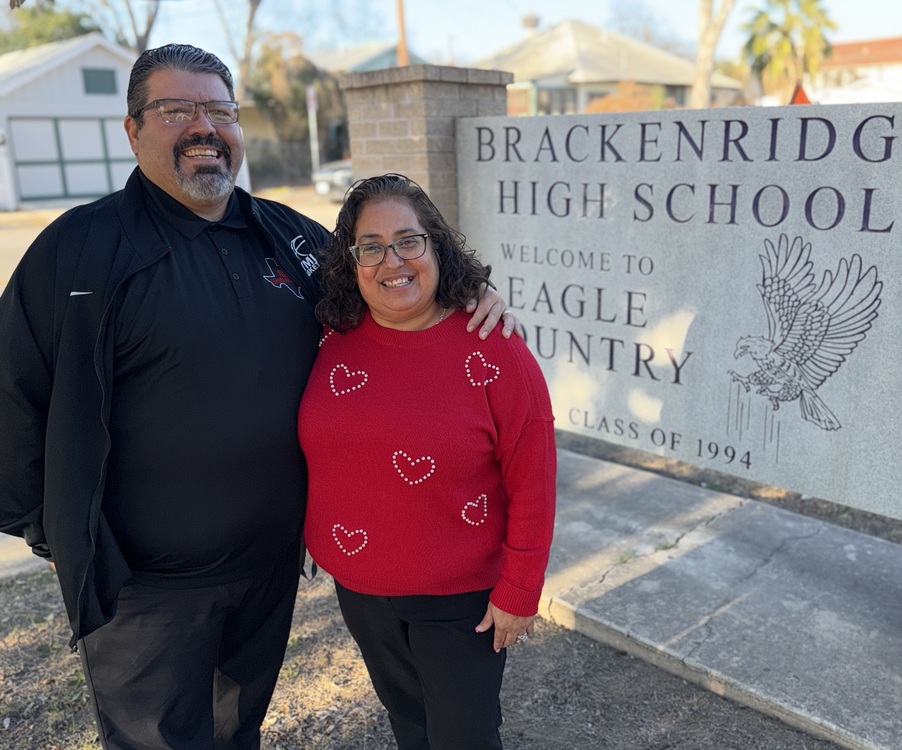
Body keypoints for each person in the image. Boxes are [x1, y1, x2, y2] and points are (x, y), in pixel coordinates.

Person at [0, 45, 517, 750]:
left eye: (218, 110)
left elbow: (393, 284)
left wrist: (466, 292)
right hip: (146, 586)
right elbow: (11, 390)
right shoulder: (79, 251)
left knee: (235, 731)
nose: (202, 126)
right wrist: (44, 523)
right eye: (176, 109)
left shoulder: (293, 241)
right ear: (132, 130)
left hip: (266, 569)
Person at [299, 173, 557, 749]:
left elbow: (533, 474)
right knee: (409, 726)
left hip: (460, 597)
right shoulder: (326, 335)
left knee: (463, 737)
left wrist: (520, 588)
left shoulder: (492, 345)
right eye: (371, 246)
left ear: (436, 246)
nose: (392, 260)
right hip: (361, 588)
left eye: (409, 240)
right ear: (353, 260)